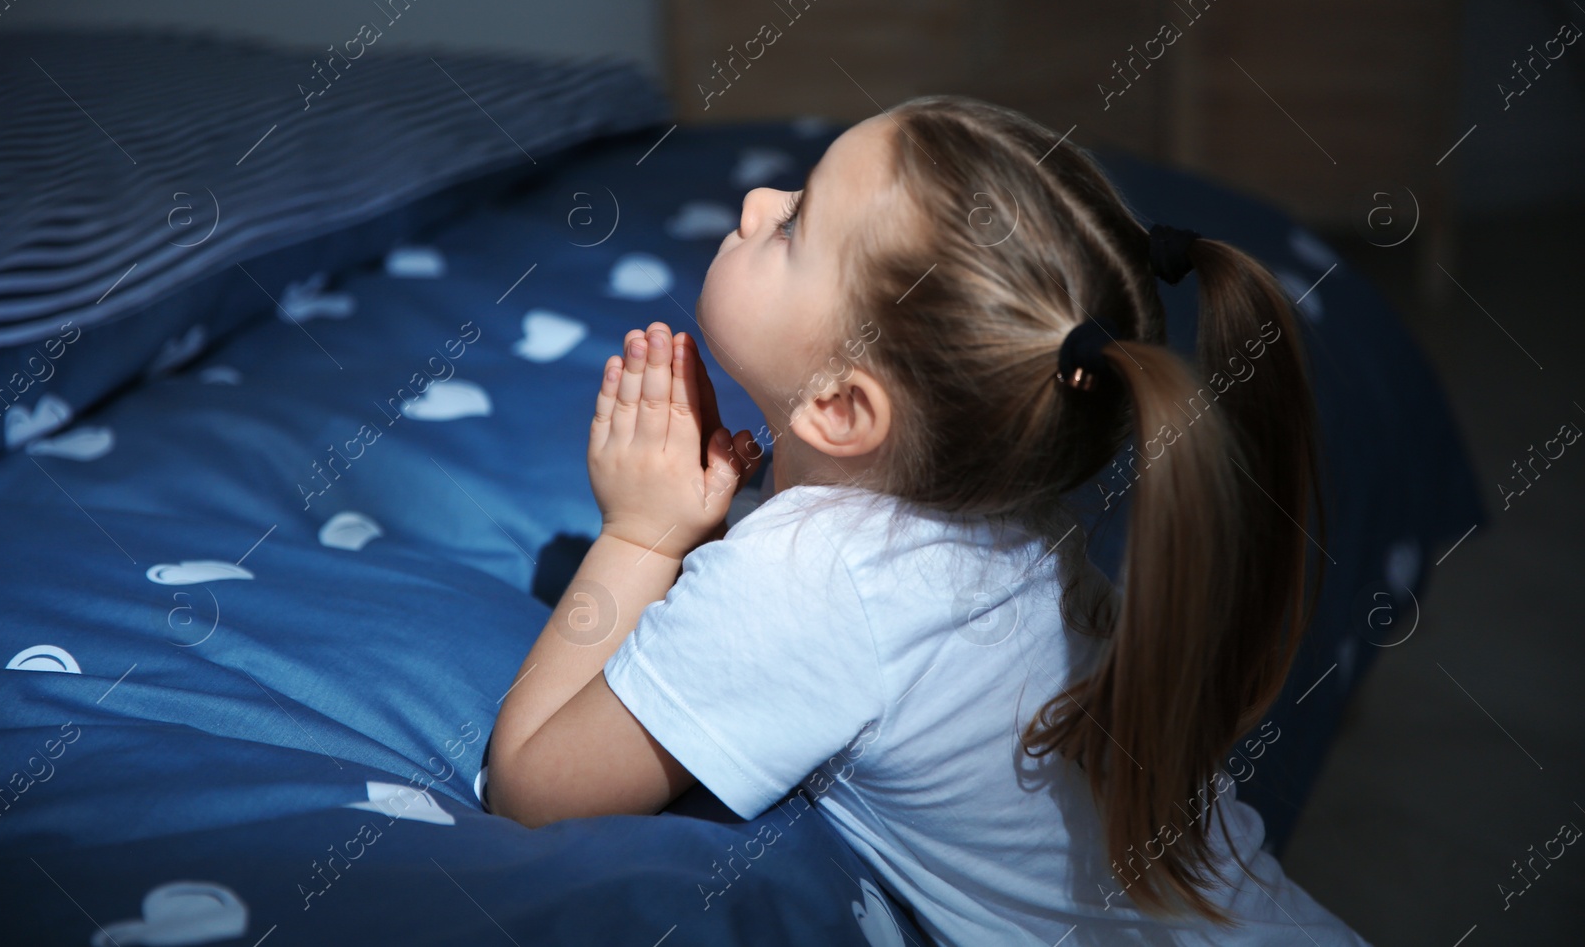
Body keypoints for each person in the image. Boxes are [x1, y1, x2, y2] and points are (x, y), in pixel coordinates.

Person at [485, 96, 1371, 945]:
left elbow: (531, 791)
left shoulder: (813, 579)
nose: (757, 200)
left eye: (795, 224)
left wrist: (639, 535)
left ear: (839, 406)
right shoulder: (1001, 496)